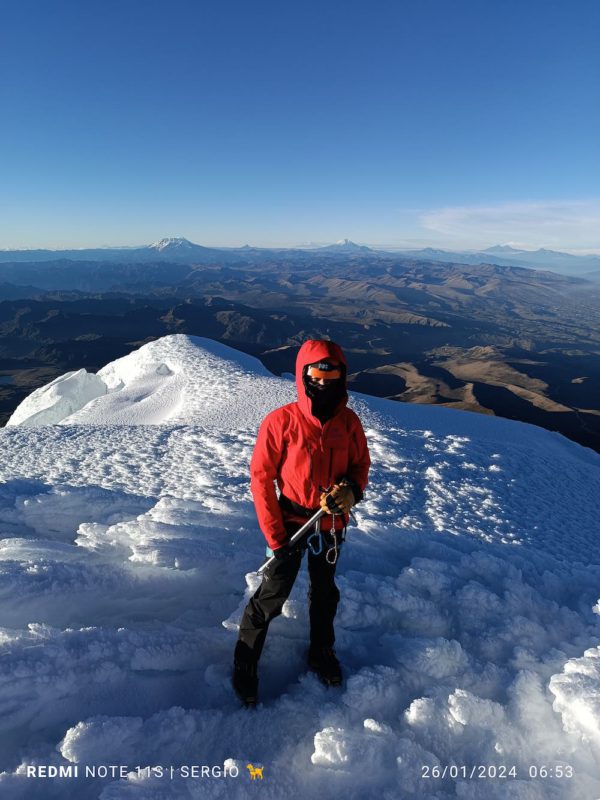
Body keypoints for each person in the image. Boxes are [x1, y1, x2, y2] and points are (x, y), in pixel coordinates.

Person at [232, 339, 371, 705]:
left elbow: (360, 466)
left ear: (342, 376)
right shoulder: (281, 422)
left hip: (331, 524)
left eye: (332, 373)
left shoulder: (349, 423)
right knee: (271, 595)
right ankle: (245, 660)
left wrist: (352, 490)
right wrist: (276, 537)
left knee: (325, 594)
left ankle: (321, 651)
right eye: (316, 373)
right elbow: (261, 479)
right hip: (291, 522)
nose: (324, 382)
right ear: (303, 375)